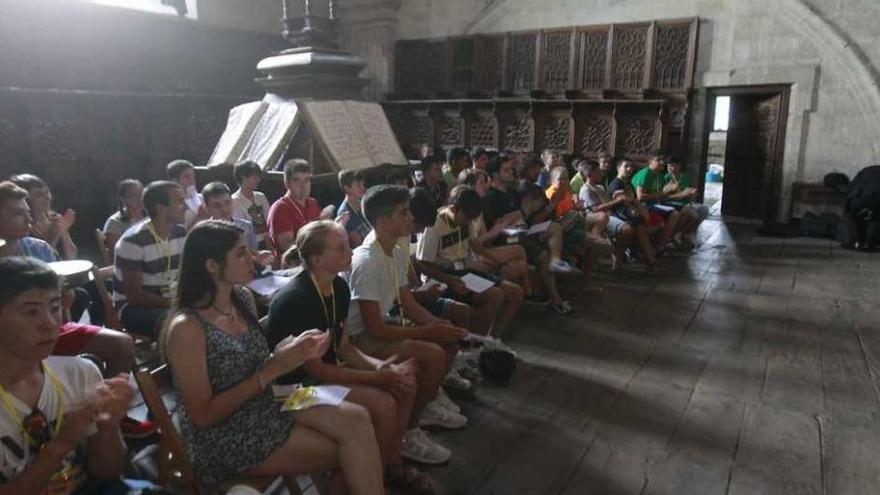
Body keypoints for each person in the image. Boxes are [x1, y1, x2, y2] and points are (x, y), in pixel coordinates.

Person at [161, 220, 383, 493]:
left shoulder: (240, 297)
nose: (252, 258)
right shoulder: (187, 328)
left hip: (275, 394)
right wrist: (273, 367)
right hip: (228, 432)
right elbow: (204, 416)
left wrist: (292, 351)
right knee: (348, 446)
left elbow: (257, 359)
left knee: (359, 417)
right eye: (241, 253)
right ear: (211, 266)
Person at [265, 221, 432, 492]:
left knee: (402, 385)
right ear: (317, 259)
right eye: (341, 247)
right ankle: (359, 477)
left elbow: (343, 347)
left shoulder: (338, 288)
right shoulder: (296, 298)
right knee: (383, 402)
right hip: (291, 391)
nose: (350, 250)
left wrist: (381, 367)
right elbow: (317, 370)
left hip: (320, 378)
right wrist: (377, 376)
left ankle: (388, 465)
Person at [0, 182, 153, 439]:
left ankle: (108, 416)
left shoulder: (37, 248)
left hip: (52, 326)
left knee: (122, 344)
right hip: (11, 338)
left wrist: (62, 298)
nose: (27, 219)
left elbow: (65, 290)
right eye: (17, 213)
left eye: (27, 212)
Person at [345, 185, 469, 465]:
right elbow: (373, 330)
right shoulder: (367, 260)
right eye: (404, 213)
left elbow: (408, 303)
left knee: (447, 337)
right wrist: (426, 331)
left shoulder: (396, 250)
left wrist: (438, 324)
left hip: (381, 327)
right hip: (358, 340)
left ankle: (425, 404)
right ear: (382, 221)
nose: (411, 218)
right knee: (434, 352)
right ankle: (408, 435)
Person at [0, 257, 139, 494]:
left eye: (54, 307)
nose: (50, 323)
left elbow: (108, 472)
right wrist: (62, 442)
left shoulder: (80, 373)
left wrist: (108, 426)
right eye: (31, 311)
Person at [416, 186, 524, 337]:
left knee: (516, 293)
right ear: (454, 209)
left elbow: (477, 246)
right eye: (467, 218)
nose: (469, 222)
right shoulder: (433, 226)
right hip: (441, 277)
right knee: (494, 295)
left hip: (463, 272)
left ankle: (492, 338)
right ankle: (475, 342)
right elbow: (422, 264)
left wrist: (499, 264)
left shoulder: (466, 220)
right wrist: (450, 280)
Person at [481, 156, 572, 314]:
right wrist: (520, 214)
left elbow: (522, 217)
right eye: (506, 170)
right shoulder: (491, 197)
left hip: (524, 229)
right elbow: (500, 225)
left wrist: (528, 211)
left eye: (511, 169)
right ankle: (555, 299)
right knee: (542, 255)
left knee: (555, 227)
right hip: (506, 237)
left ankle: (556, 262)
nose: (511, 172)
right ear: (495, 174)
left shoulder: (512, 192)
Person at [113, 180, 187, 338]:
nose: (186, 206)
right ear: (160, 208)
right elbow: (134, 296)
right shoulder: (133, 241)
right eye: (180, 201)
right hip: (135, 309)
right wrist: (175, 303)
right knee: (181, 324)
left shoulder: (180, 233)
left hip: (170, 300)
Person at [579, 160, 663, 273]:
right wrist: (617, 201)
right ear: (589, 175)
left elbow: (611, 202)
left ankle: (625, 257)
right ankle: (620, 257)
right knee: (627, 229)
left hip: (608, 215)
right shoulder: (586, 190)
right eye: (597, 172)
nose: (601, 174)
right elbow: (596, 209)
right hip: (597, 218)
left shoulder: (600, 187)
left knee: (640, 226)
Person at [268, 159, 331, 259]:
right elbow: (288, 249)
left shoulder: (312, 203)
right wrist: (319, 229)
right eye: (297, 180)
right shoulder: (280, 209)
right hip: (292, 267)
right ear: (287, 183)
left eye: (306, 180)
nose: (303, 186)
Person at [9, 174, 77, 260]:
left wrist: (63, 231)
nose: (47, 197)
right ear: (26, 199)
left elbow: (72, 256)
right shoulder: (24, 226)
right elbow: (39, 263)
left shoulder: (55, 218)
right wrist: (55, 237)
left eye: (47, 192)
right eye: (39, 195)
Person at [630, 156, 685, 250]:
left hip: (656, 204)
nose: (662, 162)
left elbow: (662, 195)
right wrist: (664, 192)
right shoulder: (646, 173)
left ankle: (670, 239)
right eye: (658, 160)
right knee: (674, 214)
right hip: (643, 205)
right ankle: (661, 245)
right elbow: (641, 197)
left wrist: (676, 191)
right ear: (650, 161)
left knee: (685, 211)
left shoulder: (660, 175)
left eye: (663, 160)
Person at [202, 182, 258, 250]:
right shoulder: (202, 233)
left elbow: (254, 254)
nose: (224, 209)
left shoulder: (246, 227)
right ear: (206, 208)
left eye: (227, 203)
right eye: (217, 205)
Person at [664, 161, 708, 247]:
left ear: (679, 166)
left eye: (673, 166)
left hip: (685, 202)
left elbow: (687, 189)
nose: (670, 168)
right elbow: (665, 196)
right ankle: (677, 234)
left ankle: (690, 233)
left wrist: (690, 193)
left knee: (703, 209)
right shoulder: (666, 177)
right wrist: (682, 194)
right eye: (668, 166)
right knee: (692, 213)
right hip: (672, 202)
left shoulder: (685, 176)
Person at [231, 160, 272, 246]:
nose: (258, 179)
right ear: (243, 177)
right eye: (254, 176)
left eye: (258, 176)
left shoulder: (261, 196)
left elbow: (269, 220)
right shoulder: (234, 201)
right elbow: (242, 230)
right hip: (250, 243)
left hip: (268, 240)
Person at [102, 179, 145, 259]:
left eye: (141, 194)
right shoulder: (114, 223)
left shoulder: (151, 216)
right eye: (134, 196)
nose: (140, 199)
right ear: (123, 199)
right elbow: (117, 253)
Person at [166, 159, 207, 230]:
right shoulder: (169, 205)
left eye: (193, 176)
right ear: (174, 181)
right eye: (186, 176)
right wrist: (199, 218)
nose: (192, 180)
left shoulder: (203, 198)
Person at [337, 169, 372, 248]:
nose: (363, 188)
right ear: (347, 188)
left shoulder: (363, 203)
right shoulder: (345, 212)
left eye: (363, 185)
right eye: (358, 185)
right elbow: (357, 242)